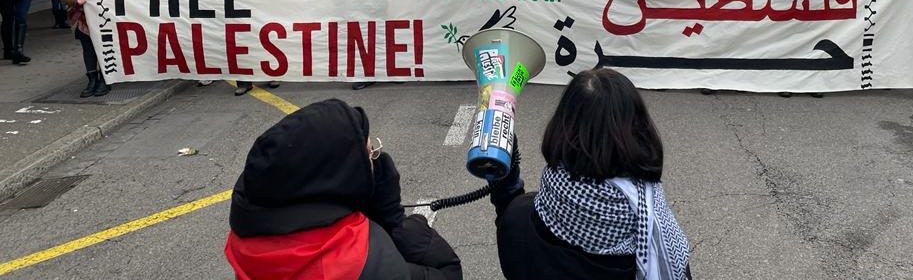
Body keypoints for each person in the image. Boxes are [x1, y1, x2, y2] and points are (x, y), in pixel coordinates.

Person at [225, 99, 463, 280]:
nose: (377, 160)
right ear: (337, 176)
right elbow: (446, 271)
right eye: (371, 154)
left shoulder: (247, 242)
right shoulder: (371, 263)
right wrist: (394, 222)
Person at [490, 68, 691, 280]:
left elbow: (510, 224)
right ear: (638, 127)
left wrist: (503, 175)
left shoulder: (518, 220)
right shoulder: (652, 234)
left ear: (562, 124)